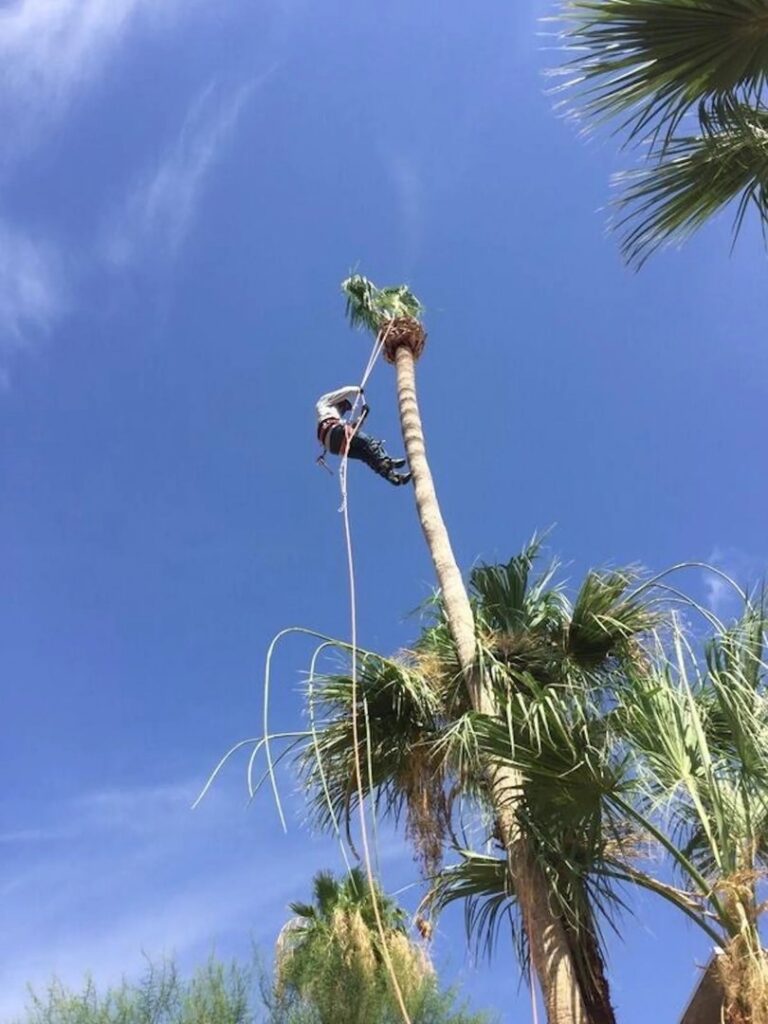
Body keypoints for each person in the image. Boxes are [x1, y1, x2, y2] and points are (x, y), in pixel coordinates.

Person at [316, 385, 411, 486]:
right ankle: (386, 461)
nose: (343, 410)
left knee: (366, 455)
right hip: (334, 433)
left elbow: (353, 429)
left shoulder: (333, 417)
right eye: (342, 406)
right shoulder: (323, 404)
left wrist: (362, 416)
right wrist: (357, 390)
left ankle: (392, 476)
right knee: (369, 441)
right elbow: (342, 392)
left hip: (334, 446)